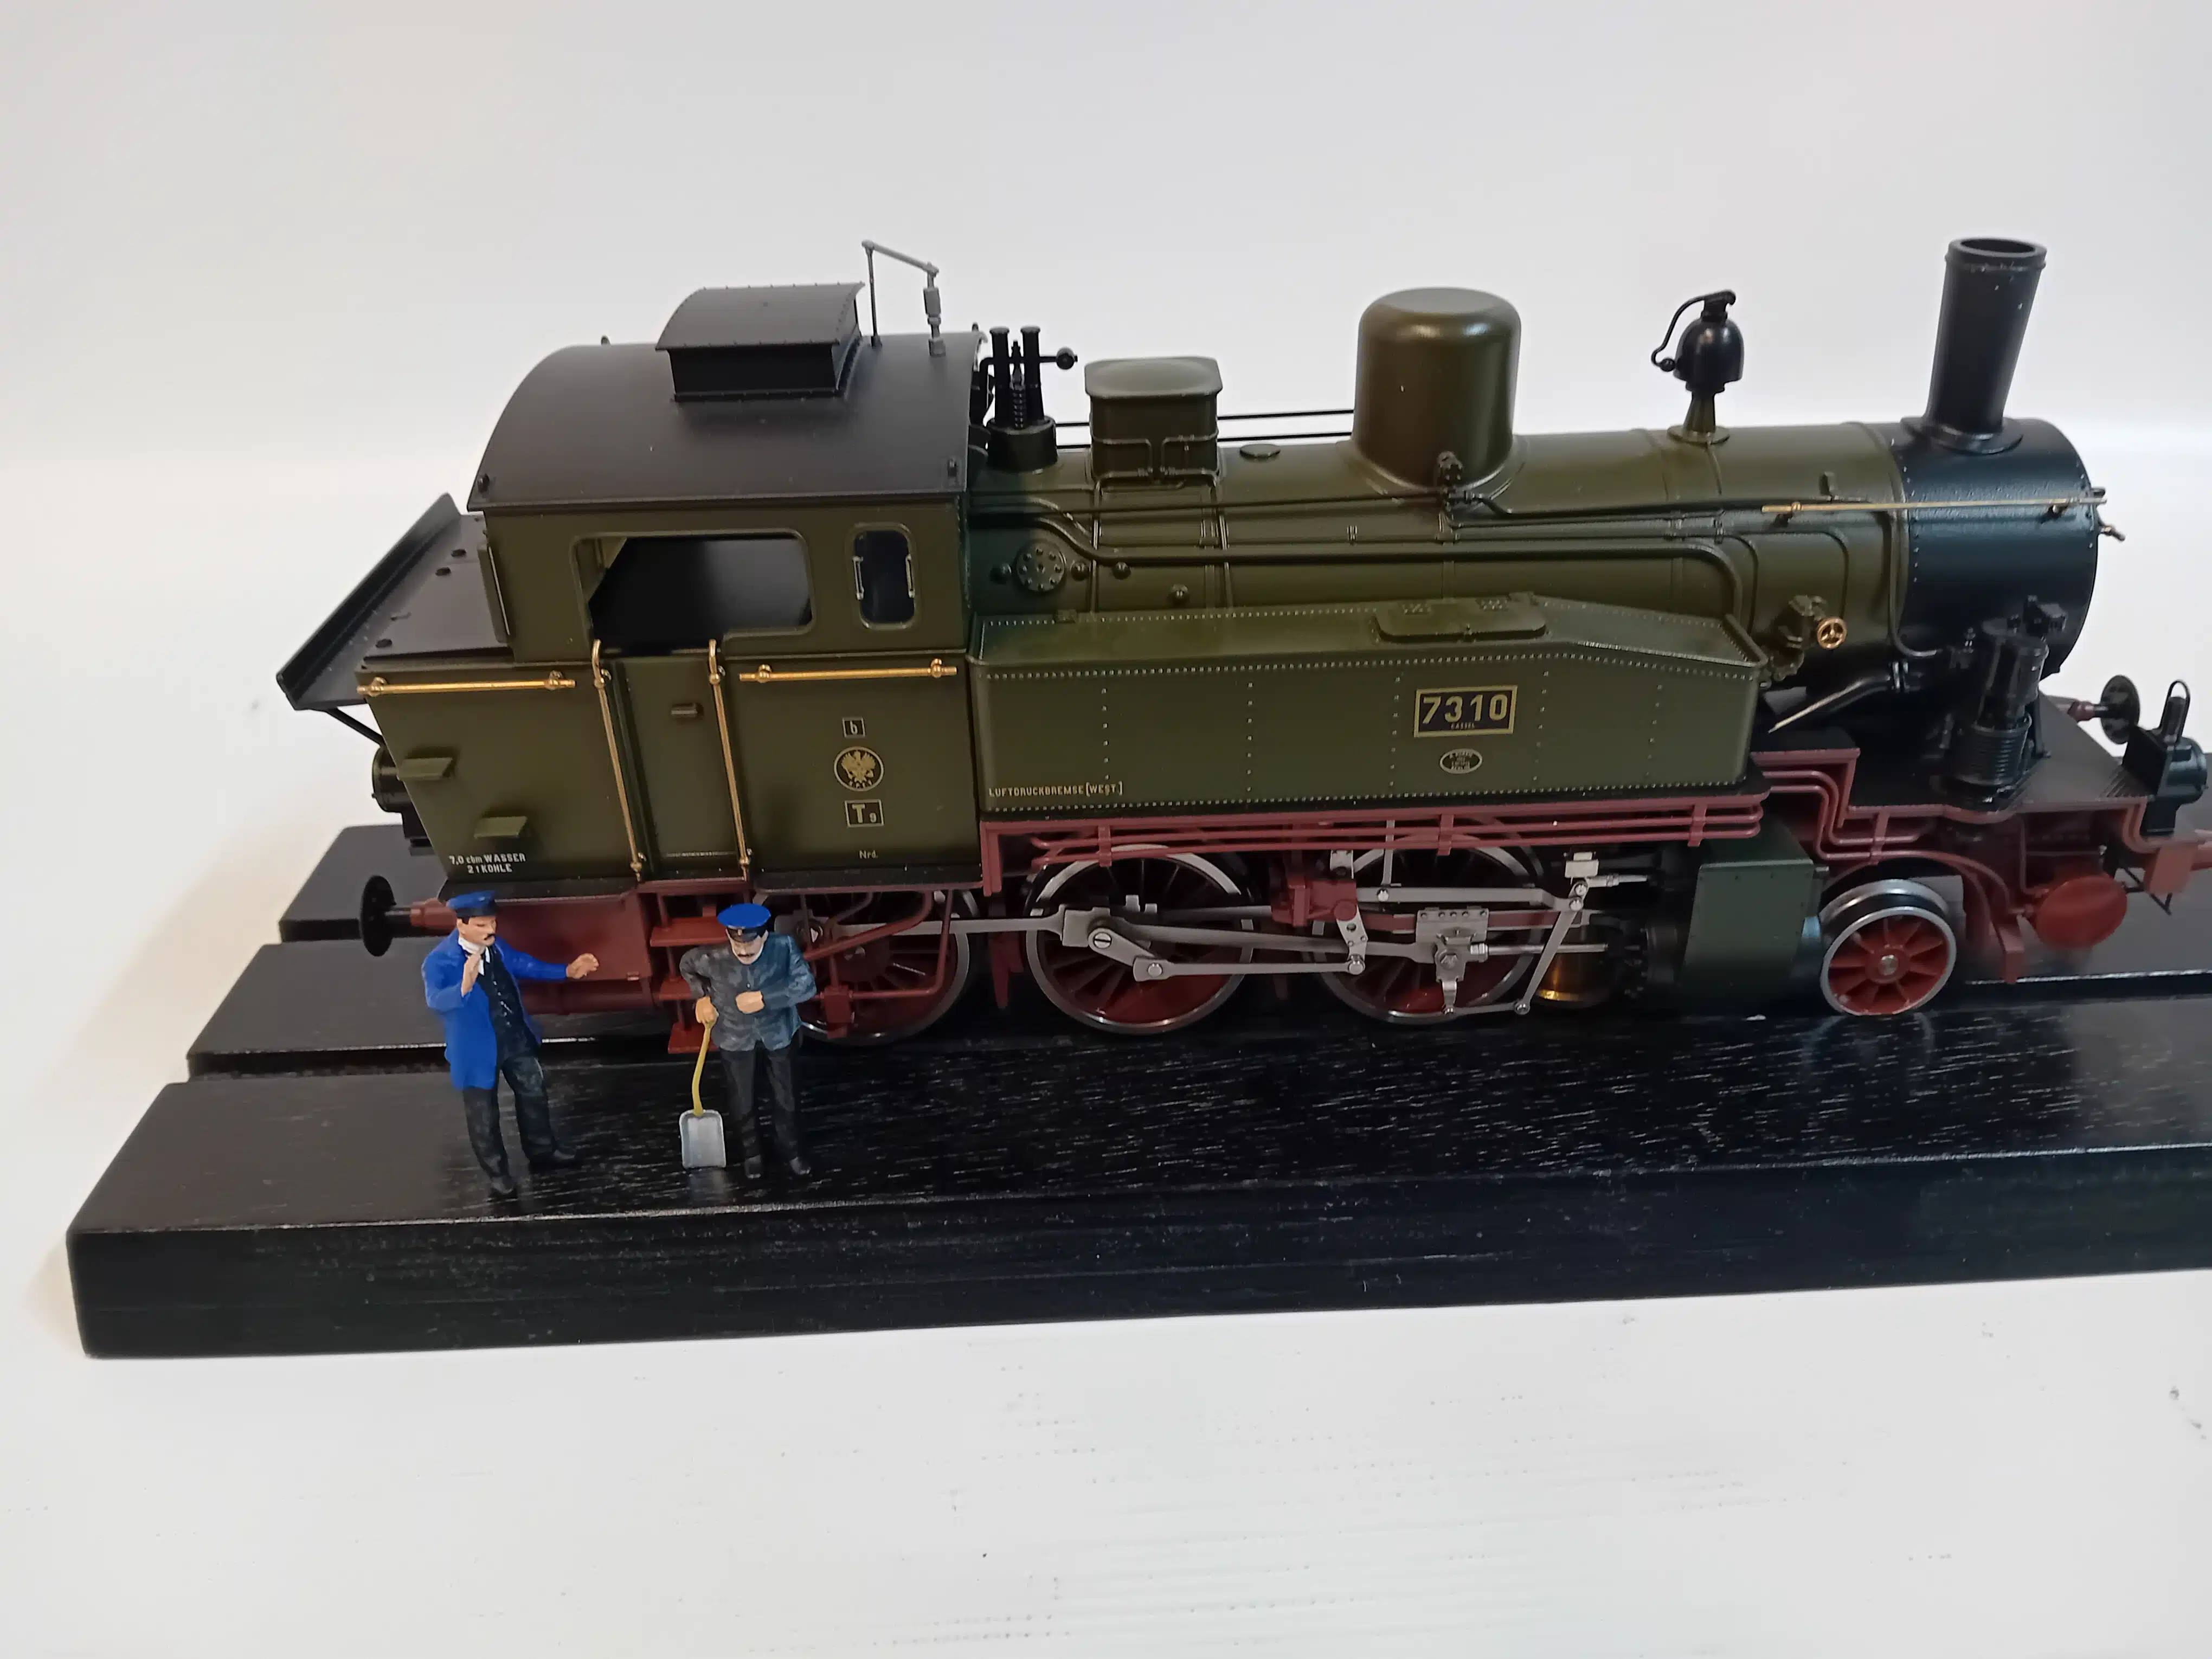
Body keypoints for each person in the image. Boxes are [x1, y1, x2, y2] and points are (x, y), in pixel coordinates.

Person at [422, 891, 600, 1197]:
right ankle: (497, 1172)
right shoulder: (439, 961)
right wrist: (463, 986)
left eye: (492, 922)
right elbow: (436, 1000)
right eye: (481, 925)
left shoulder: (497, 948)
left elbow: (525, 965)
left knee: (534, 1093)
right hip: (476, 1050)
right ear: (461, 925)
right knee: (484, 1114)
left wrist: (567, 971)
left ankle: (542, 1151)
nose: (490, 930)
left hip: (514, 1037)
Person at [679, 902, 818, 1180]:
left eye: (750, 947)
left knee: (787, 1097)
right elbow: (687, 965)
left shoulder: (783, 948)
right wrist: (702, 997)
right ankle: (751, 1154)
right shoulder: (712, 957)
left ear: (764, 936)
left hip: (779, 1033)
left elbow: (806, 985)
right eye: (737, 945)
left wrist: (766, 998)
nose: (743, 952)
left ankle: (791, 1151)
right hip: (734, 1036)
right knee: (742, 1099)